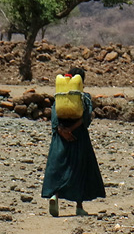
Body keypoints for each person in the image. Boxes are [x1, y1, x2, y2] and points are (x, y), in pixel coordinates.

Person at [42, 65, 105, 216]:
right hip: (79, 138)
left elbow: (54, 116)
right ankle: (79, 206)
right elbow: (86, 119)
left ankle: (53, 196)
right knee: (79, 170)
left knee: (57, 167)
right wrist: (71, 130)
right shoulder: (84, 97)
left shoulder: (60, 95)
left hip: (60, 138)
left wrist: (61, 131)